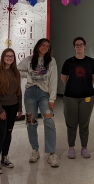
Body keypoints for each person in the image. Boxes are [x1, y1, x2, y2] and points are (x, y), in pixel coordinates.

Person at [18, 38, 59, 168]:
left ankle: (51, 153)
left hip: (44, 95)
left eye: (47, 46)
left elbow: (53, 80)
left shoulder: (51, 61)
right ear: (38, 46)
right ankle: (35, 150)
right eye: (43, 45)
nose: (45, 47)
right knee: (31, 122)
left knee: (49, 121)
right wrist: (29, 75)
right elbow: (17, 70)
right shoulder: (29, 60)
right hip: (30, 93)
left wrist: (52, 98)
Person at [61, 37, 94, 159]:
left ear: (85, 46)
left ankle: (84, 148)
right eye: (77, 45)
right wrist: (73, 86)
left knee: (84, 123)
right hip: (70, 97)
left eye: (81, 44)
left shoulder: (91, 62)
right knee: (71, 124)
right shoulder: (68, 62)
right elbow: (63, 78)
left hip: (87, 97)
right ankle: (71, 148)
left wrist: (84, 87)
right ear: (74, 47)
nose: (79, 46)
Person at [0, 48, 23, 174]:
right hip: (0, 108)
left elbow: (18, 91)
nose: (9, 58)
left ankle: (5, 158)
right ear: (3, 57)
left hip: (13, 107)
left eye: (12, 56)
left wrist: (20, 107)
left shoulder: (16, 72)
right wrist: (0, 110)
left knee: (9, 133)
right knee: (1, 134)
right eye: (7, 56)